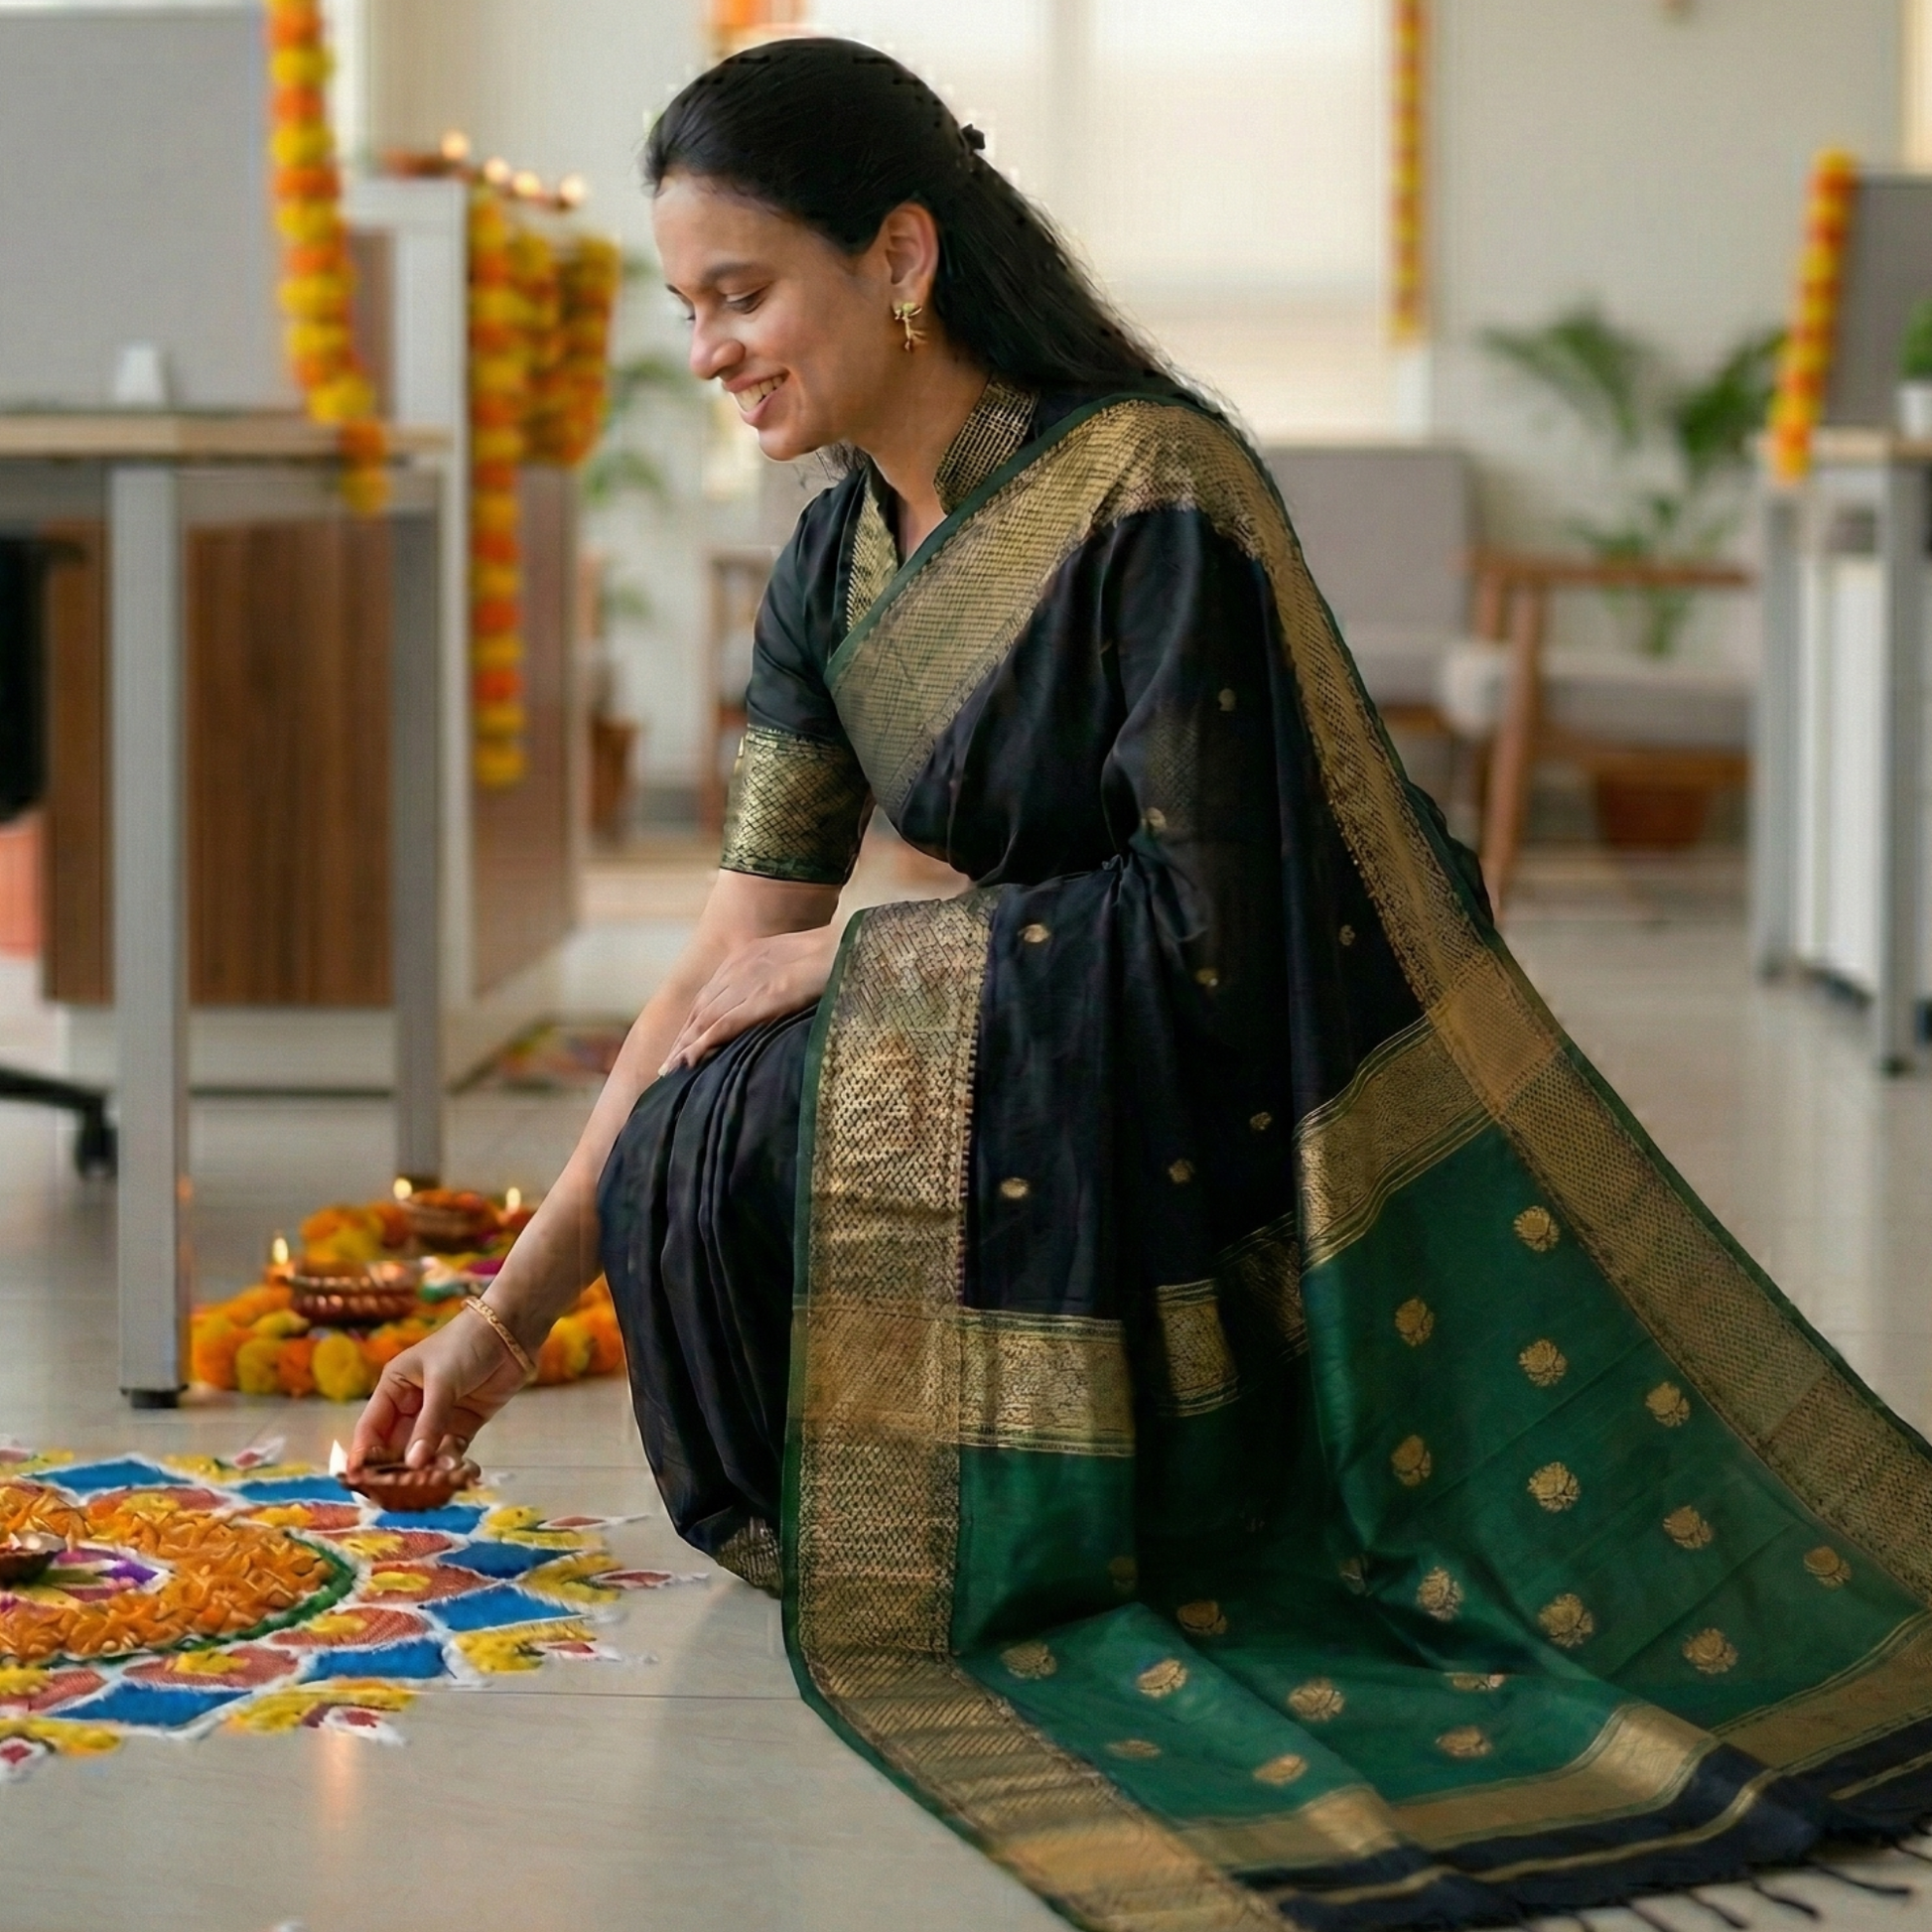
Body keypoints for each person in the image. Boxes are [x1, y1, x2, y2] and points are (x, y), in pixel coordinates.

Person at [353, 39, 1932, 1930]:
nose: (708, 351)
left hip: (1201, 1090)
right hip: (1035, 1054)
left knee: (799, 1080)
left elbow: (1216, 936)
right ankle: (904, 1503)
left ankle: (1112, 1493)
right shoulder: (833, 556)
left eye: (742, 295)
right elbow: (719, 945)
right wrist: (503, 1326)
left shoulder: (1146, 496)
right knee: (709, 1095)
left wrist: (861, 955)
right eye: (690, 306)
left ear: (903, 258)